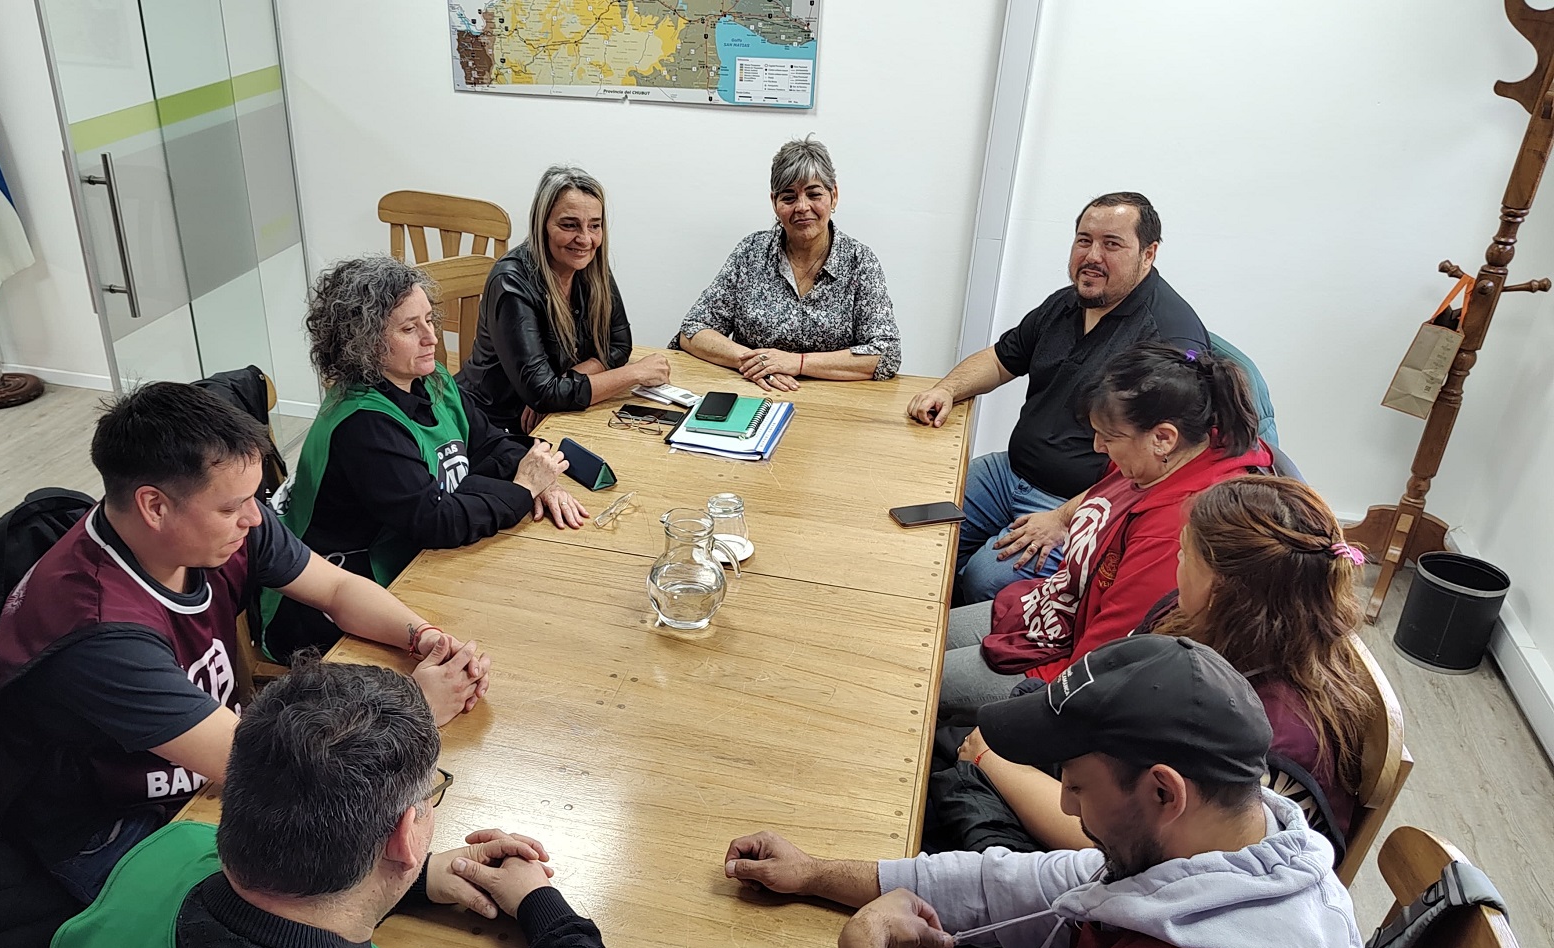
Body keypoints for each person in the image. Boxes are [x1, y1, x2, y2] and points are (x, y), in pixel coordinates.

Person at [0, 382, 492, 903]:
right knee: (328, 907)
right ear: (154, 506)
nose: (255, 517)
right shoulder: (98, 633)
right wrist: (414, 710)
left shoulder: (214, 528)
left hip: (223, 769)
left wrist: (425, 637)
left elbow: (338, 588)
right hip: (118, 831)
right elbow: (272, 777)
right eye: (234, 507)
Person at [724, 635, 1367, 948]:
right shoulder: (1257, 856)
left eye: (1078, 785)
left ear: (1164, 791)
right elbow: (996, 885)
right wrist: (810, 873)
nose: (1063, 805)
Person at [48, 656, 633, 948]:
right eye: (432, 796)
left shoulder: (161, 854)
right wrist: (543, 907)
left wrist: (422, 877)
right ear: (406, 832)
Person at [935, 475, 1379, 856]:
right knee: (945, 748)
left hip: (1149, 877)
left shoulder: (1268, 743)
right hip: (1117, 789)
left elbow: (1132, 852)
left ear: (1221, 590)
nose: (1176, 563)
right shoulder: (1188, 618)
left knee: (947, 780)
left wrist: (993, 762)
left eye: (1185, 554)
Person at [263, 257, 585, 657]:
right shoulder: (363, 424)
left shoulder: (431, 382)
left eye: (429, 320)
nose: (431, 337)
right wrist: (522, 490)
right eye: (409, 328)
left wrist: (541, 480)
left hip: (412, 564)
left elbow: (487, 445)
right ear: (363, 343)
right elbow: (437, 522)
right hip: (332, 609)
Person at [938, 344, 1271, 726]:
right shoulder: (1172, 455)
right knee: (919, 637)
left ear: (1162, 438)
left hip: (1067, 669)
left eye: (1109, 438)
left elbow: (1106, 664)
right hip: (1057, 612)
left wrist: (1030, 708)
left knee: (917, 675)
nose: (1099, 448)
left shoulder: (1175, 530)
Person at [906, 192, 1210, 602]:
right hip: (1008, 472)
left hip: (1079, 501)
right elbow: (1000, 360)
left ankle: (957, 652)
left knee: (983, 578)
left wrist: (1066, 517)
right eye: (1084, 240)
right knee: (919, 526)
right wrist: (946, 388)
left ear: (1149, 253)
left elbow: (1164, 464)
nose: (1092, 256)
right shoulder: (1068, 303)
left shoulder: (1169, 338)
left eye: (1112, 244)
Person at [672, 137, 901, 390]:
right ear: (774, 203)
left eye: (814, 194)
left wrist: (797, 363)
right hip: (757, 393)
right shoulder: (751, 252)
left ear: (833, 196)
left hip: (836, 403)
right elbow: (693, 331)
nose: (802, 207)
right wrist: (758, 363)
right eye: (789, 197)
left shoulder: (860, 262)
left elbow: (885, 353)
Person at [459, 165, 669, 433]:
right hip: (494, 424)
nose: (585, 239)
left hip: (556, 416)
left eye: (595, 226)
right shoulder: (511, 282)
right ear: (542, 224)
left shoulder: (591, 267)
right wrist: (635, 374)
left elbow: (618, 344)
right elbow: (544, 393)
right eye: (569, 225)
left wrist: (561, 385)